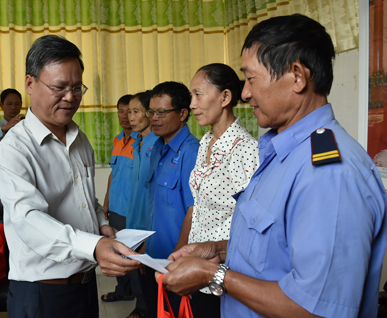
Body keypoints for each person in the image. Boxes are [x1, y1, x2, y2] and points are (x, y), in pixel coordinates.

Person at [157, 14, 387, 318]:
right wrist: (220, 250)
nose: (245, 93)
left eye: (251, 78)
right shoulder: (281, 153)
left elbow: (315, 308)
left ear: (297, 76)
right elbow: (277, 249)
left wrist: (214, 276)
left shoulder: (330, 174)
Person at [0, 35, 141, 318]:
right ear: (30, 83)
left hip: (85, 287)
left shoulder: (79, 138)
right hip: (41, 294)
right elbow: (29, 221)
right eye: (59, 87)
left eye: (77, 88)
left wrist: (101, 225)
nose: (71, 97)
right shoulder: (14, 149)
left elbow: (85, 199)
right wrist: (95, 246)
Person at [185, 63, 259, 317]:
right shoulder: (206, 141)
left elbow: (253, 221)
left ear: (225, 97)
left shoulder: (246, 150)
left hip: (226, 272)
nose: (192, 104)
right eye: (191, 96)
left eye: (198, 94)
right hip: (197, 265)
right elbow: (198, 207)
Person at [143, 81, 199, 318]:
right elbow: (154, 205)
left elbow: (193, 210)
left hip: (174, 263)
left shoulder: (191, 151)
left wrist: (175, 261)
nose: (154, 118)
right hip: (153, 259)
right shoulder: (157, 146)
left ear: (183, 113)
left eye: (162, 113)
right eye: (152, 112)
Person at [101, 94, 139, 303]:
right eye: (122, 111)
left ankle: (141, 303)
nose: (126, 116)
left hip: (130, 210)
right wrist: (106, 201)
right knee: (116, 252)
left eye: (131, 111)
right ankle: (123, 291)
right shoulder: (117, 140)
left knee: (132, 255)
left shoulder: (141, 141)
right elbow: (113, 173)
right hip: (115, 207)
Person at [126, 91, 159, 318]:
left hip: (151, 225)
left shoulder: (158, 142)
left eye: (136, 111)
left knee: (154, 280)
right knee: (141, 276)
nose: (130, 117)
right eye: (129, 112)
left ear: (149, 113)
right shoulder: (136, 141)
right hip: (134, 221)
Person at [0, 88, 24, 188]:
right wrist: (5, 128)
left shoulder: (28, 126)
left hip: (23, 179)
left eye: (17, 103)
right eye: (9, 104)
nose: (13, 107)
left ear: (21, 104)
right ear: (1, 105)